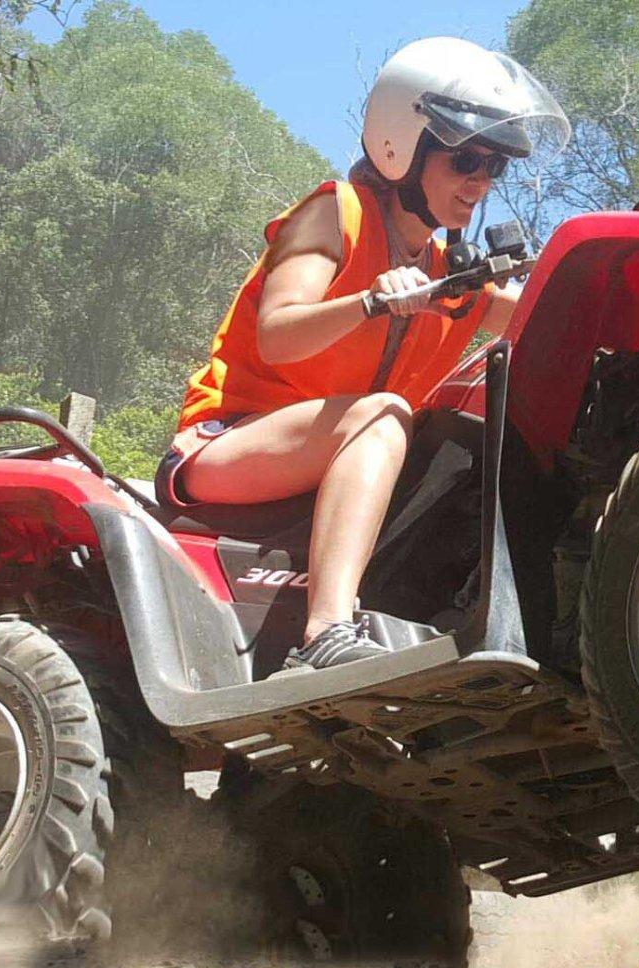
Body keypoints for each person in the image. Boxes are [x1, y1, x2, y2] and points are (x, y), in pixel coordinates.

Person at [157, 37, 569, 672]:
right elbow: (279, 333)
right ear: (403, 146)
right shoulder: (333, 213)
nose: (481, 181)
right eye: (467, 160)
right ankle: (324, 633)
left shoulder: (447, 276)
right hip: (225, 444)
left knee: (472, 439)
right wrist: (370, 302)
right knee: (381, 415)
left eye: (496, 166)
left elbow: (550, 316)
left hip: (331, 459)